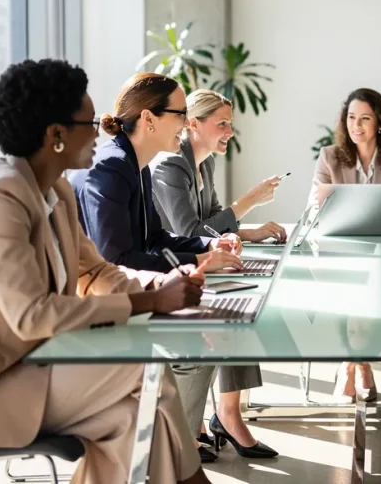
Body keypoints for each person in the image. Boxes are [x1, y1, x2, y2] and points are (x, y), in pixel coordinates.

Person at [0, 59, 213, 484]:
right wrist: (151, 300)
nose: (101, 130)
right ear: (56, 135)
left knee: (132, 416)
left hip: (19, 368)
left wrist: (163, 284)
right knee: (145, 373)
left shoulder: (55, 189)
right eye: (89, 121)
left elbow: (95, 272)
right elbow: (32, 316)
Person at [70, 73, 277, 461]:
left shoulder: (136, 166)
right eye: (180, 114)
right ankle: (174, 447)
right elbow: (118, 261)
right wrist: (200, 261)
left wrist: (209, 245)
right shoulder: (111, 170)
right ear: (149, 119)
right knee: (206, 334)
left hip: (128, 292)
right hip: (100, 308)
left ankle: (180, 444)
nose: (186, 123)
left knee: (225, 318)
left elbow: (158, 240)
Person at [310, 88, 381, 401]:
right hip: (339, 252)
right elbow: (316, 207)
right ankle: (355, 362)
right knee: (344, 292)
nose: (357, 125)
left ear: (380, 122)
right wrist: (375, 208)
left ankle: (357, 360)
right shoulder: (330, 155)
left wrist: (343, 203)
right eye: (352, 118)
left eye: (365, 118)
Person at [151, 89, 287, 244]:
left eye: (230, 124)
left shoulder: (206, 162)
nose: (230, 132)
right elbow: (191, 235)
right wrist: (251, 199)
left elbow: (211, 222)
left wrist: (251, 234)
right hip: (168, 263)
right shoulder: (170, 165)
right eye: (222, 124)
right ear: (194, 124)